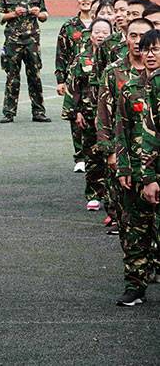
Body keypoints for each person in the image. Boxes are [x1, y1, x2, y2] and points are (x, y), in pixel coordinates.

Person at [107, 21, 156, 306]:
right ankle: (135, 285)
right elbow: (120, 130)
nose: (150, 54)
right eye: (147, 49)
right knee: (134, 231)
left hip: (156, 171)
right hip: (136, 171)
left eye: (156, 49)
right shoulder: (130, 88)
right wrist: (123, 167)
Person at [62, 19, 113, 212]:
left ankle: (112, 196)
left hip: (111, 116)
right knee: (92, 156)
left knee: (111, 155)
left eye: (105, 32)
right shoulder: (82, 58)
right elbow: (73, 86)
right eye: (97, 31)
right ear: (90, 34)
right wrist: (75, 112)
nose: (101, 35)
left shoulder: (116, 56)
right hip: (88, 114)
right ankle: (94, 194)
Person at [0, 0, 51, 123]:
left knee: (35, 77)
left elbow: (45, 15)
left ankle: (38, 112)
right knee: (12, 77)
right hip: (13, 41)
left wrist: (38, 13)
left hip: (32, 41)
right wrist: (13, 14)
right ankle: (9, 112)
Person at [56, 0, 96, 173]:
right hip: (75, 79)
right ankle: (80, 156)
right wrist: (60, 80)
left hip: (97, 78)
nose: (85, 0)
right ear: (77, 0)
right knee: (75, 115)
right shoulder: (69, 26)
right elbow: (61, 54)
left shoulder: (102, 24)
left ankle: (97, 154)